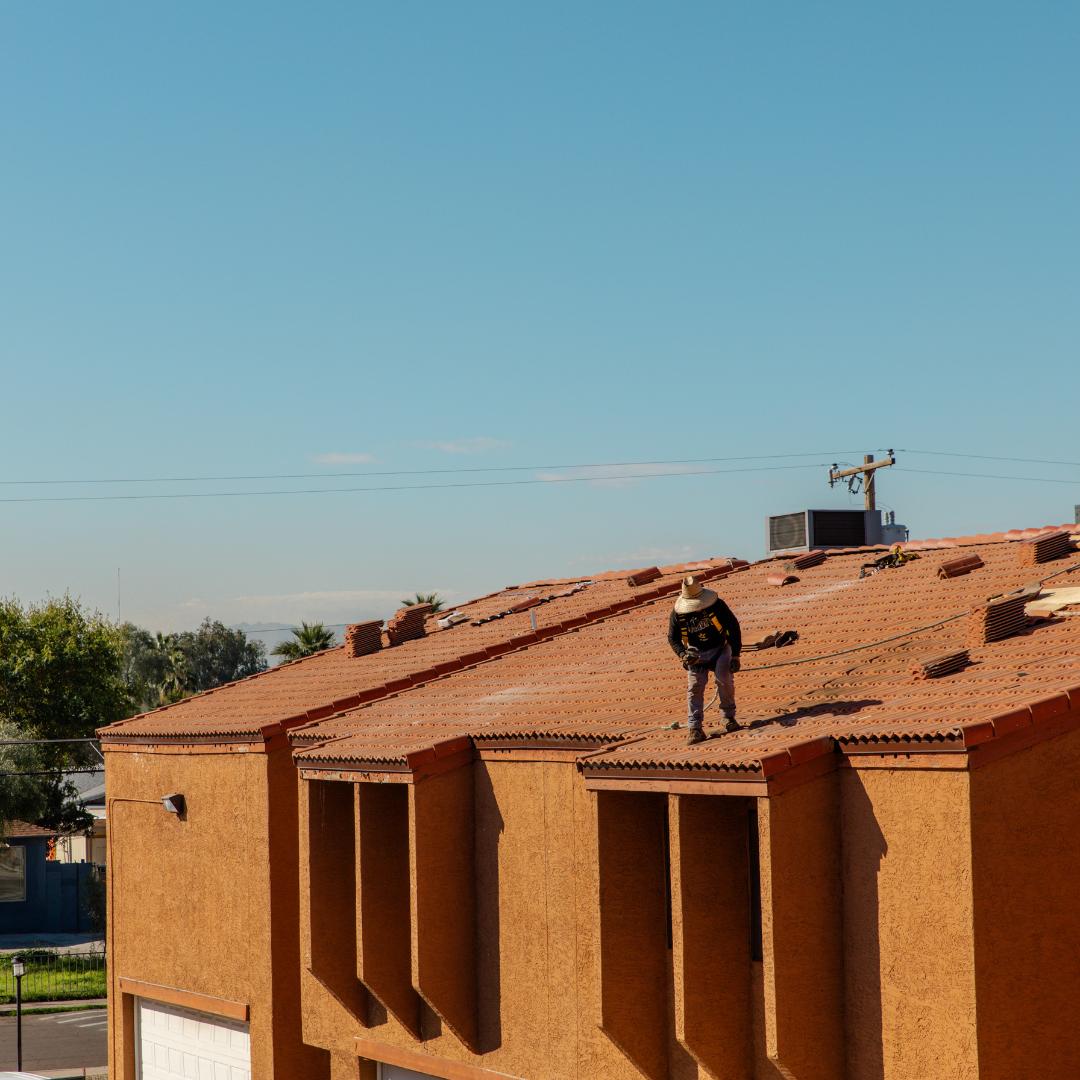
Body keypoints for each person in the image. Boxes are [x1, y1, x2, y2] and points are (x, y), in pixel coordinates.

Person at [667, 575, 742, 745]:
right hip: (696, 654)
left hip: (720, 648)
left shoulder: (717, 606)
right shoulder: (678, 615)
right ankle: (695, 729)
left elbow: (733, 626)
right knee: (695, 688)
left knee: (724, 679)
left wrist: (735, 654)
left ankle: (728, 718)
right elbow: (673, 638)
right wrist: (682, 655)